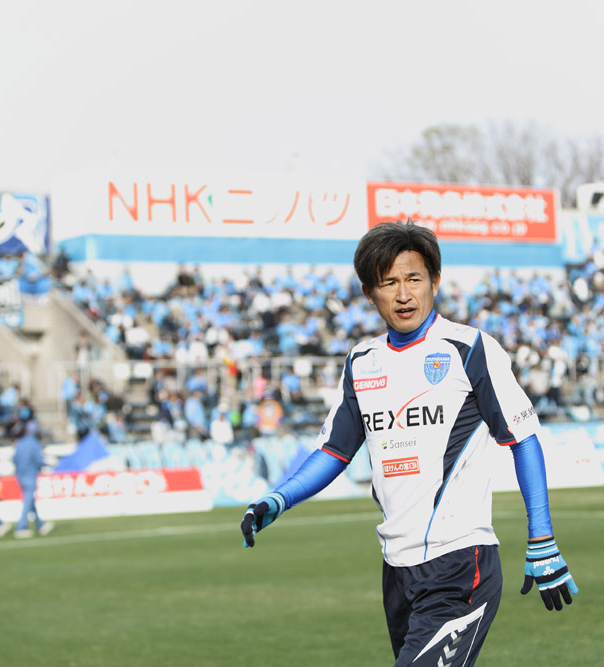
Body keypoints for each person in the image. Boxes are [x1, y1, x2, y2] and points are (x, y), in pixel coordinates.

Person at [240, 221, 577, 666]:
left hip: (460, 563)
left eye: (414, 279)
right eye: (389, 282)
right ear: (368, 292)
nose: (403, 294)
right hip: (397, 572)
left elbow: (523, 437)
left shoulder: (470, 349)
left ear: (434, 282)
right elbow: (334, 451)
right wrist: (278, 499)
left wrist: (543, 537)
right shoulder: (362, 360)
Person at [12, 424, 54, 538]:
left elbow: (14, 459)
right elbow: (39, 460)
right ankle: (21, 527)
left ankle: (40, 525)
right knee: (28, 501)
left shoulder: (19, 443)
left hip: (20, 475)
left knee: (30, 500)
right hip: (30, 475)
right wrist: (48, 465)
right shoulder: (34, 444)